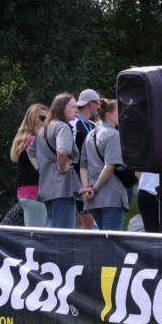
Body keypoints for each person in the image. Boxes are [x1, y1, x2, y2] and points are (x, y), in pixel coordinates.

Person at [80, 98, 127, 231]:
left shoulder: (90, 135)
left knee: (103, 238)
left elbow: (83, 165)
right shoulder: (113, 135)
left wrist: (86, 188)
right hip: (111, 196)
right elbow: (110, 166)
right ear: (108, 114)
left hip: (93, 200)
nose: (122, 114)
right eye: (119, 111)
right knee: (112, 240)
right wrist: (94, 189)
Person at [36, 93, 80, 229]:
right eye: (73, 107)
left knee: (51, 232)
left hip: (46, 187)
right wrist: (62, 168)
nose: (77, 110)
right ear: (62, 108)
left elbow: (31, 152)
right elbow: (62, 151)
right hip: (62, 188)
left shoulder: (43, 129)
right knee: (63, 236)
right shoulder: (62, 127)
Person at [10, 103, 48, 227]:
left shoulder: (24, 139)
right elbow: (42, 168)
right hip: (35, 193)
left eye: (48, 118)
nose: (46, 122)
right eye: (42, 118)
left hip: (25, 192)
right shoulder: (33, 140)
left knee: (33, 233)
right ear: (33, 119)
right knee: (36, 236)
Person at [72, 89, 99, 225]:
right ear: (90, 104)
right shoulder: (74, 124)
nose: (99, 106)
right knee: (87, 220)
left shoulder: (94, 126)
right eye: (97, 103)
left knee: (86, 221)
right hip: (77, 179)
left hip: (92, 178)